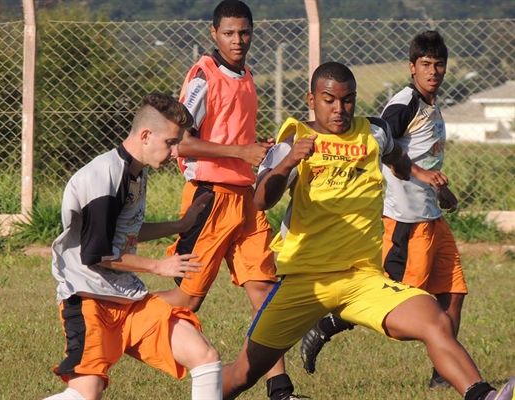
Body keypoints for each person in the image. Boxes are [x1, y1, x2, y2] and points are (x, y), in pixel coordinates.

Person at [220, 62, 514, 400]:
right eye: (329, 100)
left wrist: (429, 182)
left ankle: (485, 396)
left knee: (436, 321)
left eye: (348, 100)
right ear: (311, 99)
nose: (339, 109)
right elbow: (260, 200)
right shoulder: (295, 139)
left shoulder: (375, 132)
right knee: (244, 373)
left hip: (362, 279)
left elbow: (398, 161)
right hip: (306, 281)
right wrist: (288, 163)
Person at [300, 30, 466, 390]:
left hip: (432, 218)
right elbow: (384, 147)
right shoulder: (403, 104)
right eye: (425, 65)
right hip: (406, 222)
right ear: (412, 67)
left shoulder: (431, 104)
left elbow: (426, 154)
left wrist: (443, 191)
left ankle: (444, 373)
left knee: (454, 293)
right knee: (395, 301)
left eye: (439, 65)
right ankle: (327, 324)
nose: (433, 71)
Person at [153, 2, 298, 399]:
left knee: (265, 292)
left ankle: (279, 388)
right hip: (210, 200)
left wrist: (257, 150)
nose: (237, 40)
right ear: (214, 34)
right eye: (230, 33)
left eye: (244, 33)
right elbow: (180, 141)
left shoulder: (247, 74)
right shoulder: (203, 75)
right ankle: (115, 312)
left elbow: (236, 137)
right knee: (187, 299)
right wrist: (240, 153)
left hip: (247, 201)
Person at [45, 93, 222, 400]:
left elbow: (125, 233)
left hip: (129, 299)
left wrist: (180, 226)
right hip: (90, 301)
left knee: (204, 356)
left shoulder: (136, 173)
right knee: (87, 393)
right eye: (170, 142)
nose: (175, 151)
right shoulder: (104, 176)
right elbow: (96, 253)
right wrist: (158, 266)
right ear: (145, 135)